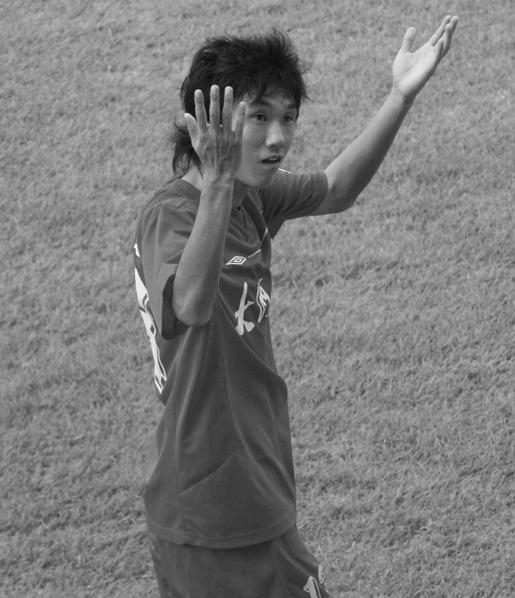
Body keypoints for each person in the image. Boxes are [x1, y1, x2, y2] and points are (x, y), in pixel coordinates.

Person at [134, 16, 458, 598]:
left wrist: (399, 96)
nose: (278, 137)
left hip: (241, 490)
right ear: (204, 122)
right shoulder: (173, 215)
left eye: (288, 118)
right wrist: (217, 186)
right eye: (259, 116)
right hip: (217, 507)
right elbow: (190, 304)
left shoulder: (250, 196)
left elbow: (335, 189)